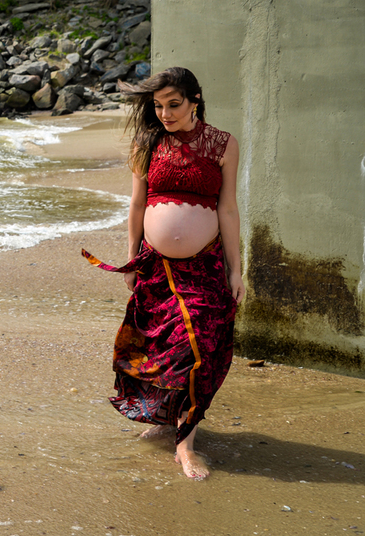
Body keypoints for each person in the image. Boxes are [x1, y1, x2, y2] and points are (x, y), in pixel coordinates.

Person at [82, 66, 246, 480]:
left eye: (174, 104)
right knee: (159, 349)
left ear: (195, 101)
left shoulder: (223, 144)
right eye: (158, 106)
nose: (165, 114)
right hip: (157, 266)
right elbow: (138, 206)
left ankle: (185, 446)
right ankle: (166, 419)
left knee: (199, 350)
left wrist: (236, 269)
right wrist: (132, 259)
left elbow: (227, 208)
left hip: (205, 265)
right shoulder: (146, 142)